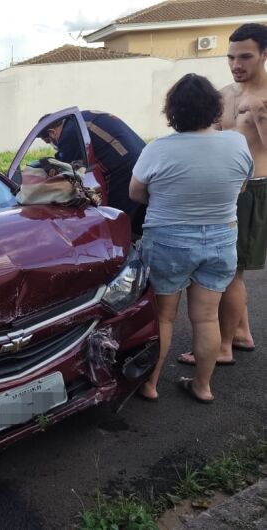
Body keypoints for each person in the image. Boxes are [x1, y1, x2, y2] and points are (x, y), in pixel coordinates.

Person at [129, 74, 252, 403]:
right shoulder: (237, 143)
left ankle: (150, 384)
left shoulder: (158, 148)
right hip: (220, 238)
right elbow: (240, 187)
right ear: (214, 108)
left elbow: (136, 193)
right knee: (207, 317)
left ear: (172, 112)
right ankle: (202, 386)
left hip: (168, 240)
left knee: (164, 317)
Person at [178, 23, 267, 368]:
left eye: (245, 56)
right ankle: (241, 333)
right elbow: (209, 138)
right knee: (230, 270)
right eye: (231, 57)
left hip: (253, 190)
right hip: (222, 189)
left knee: (231, 273)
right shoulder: (224, 94)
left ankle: (224, 345)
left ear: (263, 54)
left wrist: (259, 113)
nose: (236, 64)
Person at [40, 111, 147, 237]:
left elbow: (67, 172)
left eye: (49, 142)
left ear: (52, 132)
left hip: (124, 170)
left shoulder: (69, 133)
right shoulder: (80, 118)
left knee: (114, 218)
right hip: (144, 161)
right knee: (140, 212)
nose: (54, 145)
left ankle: (122, 249)